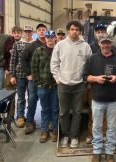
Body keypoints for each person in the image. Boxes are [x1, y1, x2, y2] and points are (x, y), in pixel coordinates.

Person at [83, 34, 116, 162]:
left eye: (108, 43)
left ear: (111, 43)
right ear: (99, 43)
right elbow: (85, 76)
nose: (106, 45)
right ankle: (97, 152)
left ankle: (109, 152)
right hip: (97, 99)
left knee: (111, 127)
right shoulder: (92, 59)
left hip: (114, 99)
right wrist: (96, 79)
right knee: (96, 127)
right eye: (103, 43)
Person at [51, 20, 92, 148]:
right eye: (72, 29)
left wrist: (85, 81)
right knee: (63, 112)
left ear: (80, 32)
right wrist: (58, 79)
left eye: (77, 30)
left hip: (79, 85)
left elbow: (90, 65)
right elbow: (54, 64)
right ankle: (65, 135)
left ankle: (74, 136)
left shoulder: (85, 46)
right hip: (63, 84)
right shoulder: (60, 45)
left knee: (77, 112)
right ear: (68, 30)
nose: (75, 31)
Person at [31, 30, 59, 143]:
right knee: (45, 109)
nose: (50, 39)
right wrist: (38, 82)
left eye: (52, 37)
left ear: (55, 38)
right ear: (45, 38)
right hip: (42, 86)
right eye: (48, 37)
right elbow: (34, 67)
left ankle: (55, 131)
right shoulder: (39, 51)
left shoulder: (59, 50)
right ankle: (44, 131)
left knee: (55, 109)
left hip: (56, 86)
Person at [21, 23, 47, 134]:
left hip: (46, 79)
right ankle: (30, 122)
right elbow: (23, 60)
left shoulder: (50, 45)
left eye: (43, 30)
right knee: (32, 100)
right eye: (39, 30)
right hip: (34, 79)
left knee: (46, 102)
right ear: (36, 32)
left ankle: (47, 123)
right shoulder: (31, 46)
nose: (42, 31)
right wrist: (28, 73)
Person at [9, 25, 34, 128]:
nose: (28, 33)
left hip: (32, 76)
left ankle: (30, 117)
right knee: (20, 97)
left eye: (29, 31)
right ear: (23, 32)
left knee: (32, 97)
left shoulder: (35, 44)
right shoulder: (17, 44)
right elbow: (13, 60)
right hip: (20, 75)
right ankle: (20, 116)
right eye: (26, 31)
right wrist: (12, 75)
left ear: (32, 32)